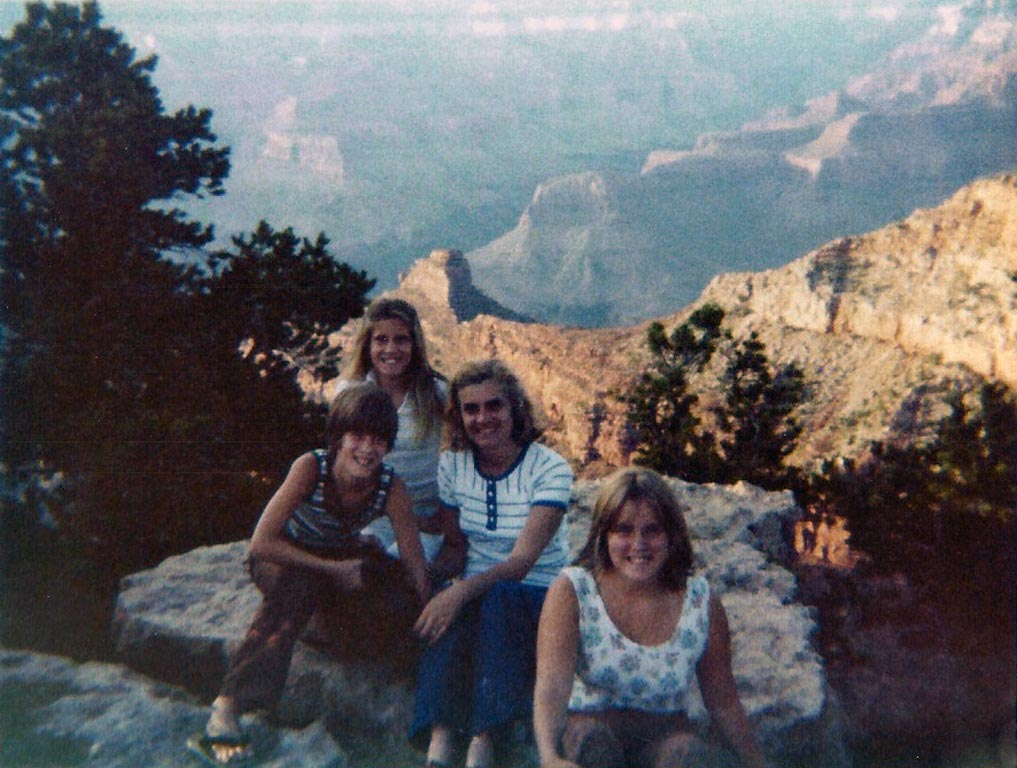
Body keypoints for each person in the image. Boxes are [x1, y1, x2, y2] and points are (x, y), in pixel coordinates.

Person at [187, 383, 432, 767]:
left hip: (340, 554)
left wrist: (425, 610)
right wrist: (334, 570)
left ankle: (320, 629)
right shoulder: (311, 468)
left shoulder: (389, 486)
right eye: (357, 436)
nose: (367, 449)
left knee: (391, 591)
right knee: (299, 586)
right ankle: (229, 704)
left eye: (379, 440)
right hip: (287, 558)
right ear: (338, 437)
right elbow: (261, 543)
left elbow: (414, 561)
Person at [533, 468, 768, 768]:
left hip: (663, 740)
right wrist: (550, 758)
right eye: (624, 530)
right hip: (590, 733)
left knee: (685, 754)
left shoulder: (700, 602)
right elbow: (552, 687)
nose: (638, 544)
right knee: (590, 741)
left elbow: (724, 704)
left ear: (672, 536)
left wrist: (757, 764)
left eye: (652, 530)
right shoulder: (573, 590)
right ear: (603, 535)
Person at [410, 359, 575, 768]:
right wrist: (427, 584)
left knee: (493, 596)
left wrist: (461, 591)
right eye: (471, 409)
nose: (483, 418)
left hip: (541, 596)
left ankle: (484, 741)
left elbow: (521, 562)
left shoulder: (549, 469)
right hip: (480, 593)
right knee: (454, 602)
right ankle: (441, 743)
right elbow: (454, 548)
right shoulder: (454, 467)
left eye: (494, 406)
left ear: (515, 408)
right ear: (459, 416)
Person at [338, 298, 454, 567]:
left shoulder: (436, 393)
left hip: (424, 520)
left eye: (401, 340)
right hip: (371, 517)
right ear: (367, 345)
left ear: (415, 345)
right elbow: (342, 464)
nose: (391, 349)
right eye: (381, 340)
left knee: (401, 575)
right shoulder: (349, 393)